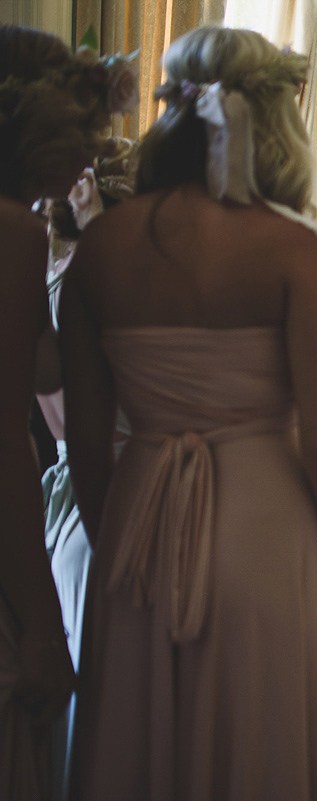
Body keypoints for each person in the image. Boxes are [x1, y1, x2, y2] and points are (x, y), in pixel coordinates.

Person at [59, 26, 317, 801]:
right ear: (275, 120)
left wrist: (117, 555)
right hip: (266, 539)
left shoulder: (99, 247)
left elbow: (85, 443)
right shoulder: (295, 248)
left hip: (137, 530)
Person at [0, 25, 129, 800]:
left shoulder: (36, 233)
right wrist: (45, 626)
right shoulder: (15, 231)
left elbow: (46, 366)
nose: (89, 157)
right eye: (78, 132)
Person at [33, 138, 137, 801]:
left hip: (74, 486)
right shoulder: (101, 282)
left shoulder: (45, 270)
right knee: (109, 675)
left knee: (94, 666)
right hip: (109, 488)